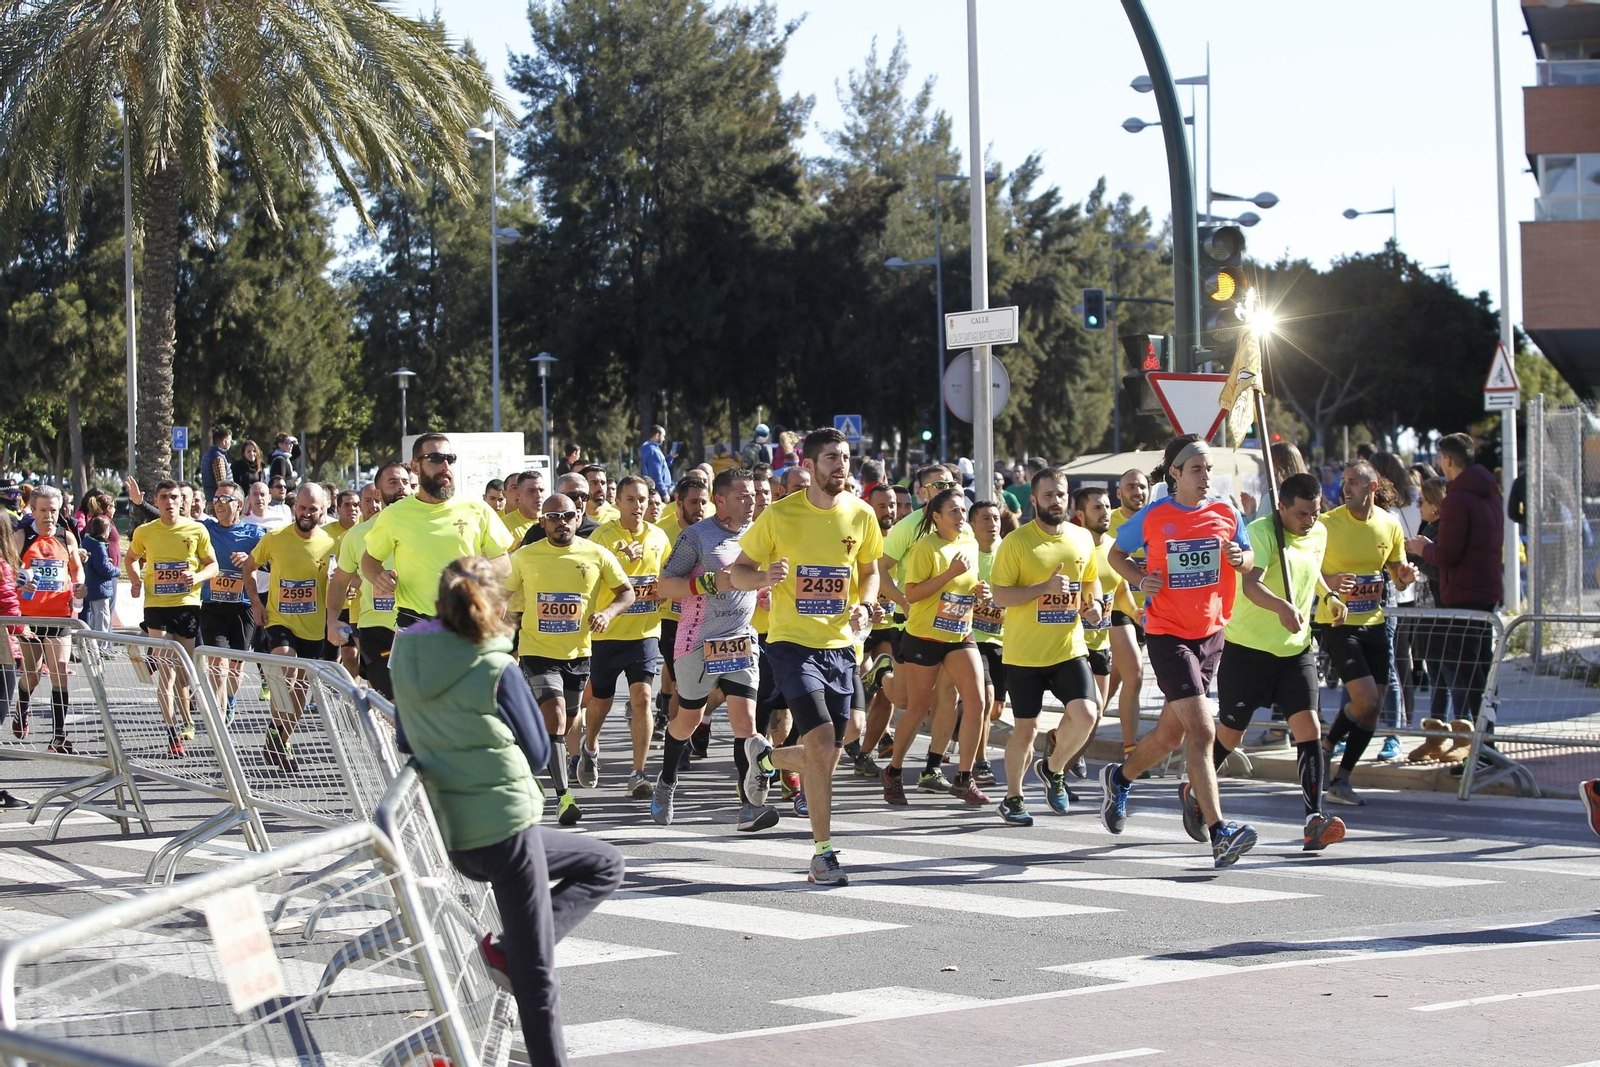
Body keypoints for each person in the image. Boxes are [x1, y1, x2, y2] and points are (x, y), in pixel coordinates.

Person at [389, 555, 625, 1067]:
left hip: (454, 831)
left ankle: (506, 949)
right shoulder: (496, 663)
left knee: (604, 862)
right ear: (496, 604)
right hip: (507, 824)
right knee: (536, 976)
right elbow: (541, 753)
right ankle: (516, 963)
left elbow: (406, 737)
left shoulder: (405, 653)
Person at [730, 426, 883, 886]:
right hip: (792, 643)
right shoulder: (780, 516)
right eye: (832, 459)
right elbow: (737, 570)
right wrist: (761, 579)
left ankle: (765, 761)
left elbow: (870, 572)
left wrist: (866, 604)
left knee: (841, 742)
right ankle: (822, 854)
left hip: (841, 645)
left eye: (846, 458)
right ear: (812, 465)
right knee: (820, 745)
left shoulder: (861, 515)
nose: (841, 466)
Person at [1106, 435, 1259, 869]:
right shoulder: (1155, 515)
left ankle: (1119, 779)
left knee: (1170, 736)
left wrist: (1239, 557)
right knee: (1203, 732)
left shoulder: (1227, 511)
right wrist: (1138, 579)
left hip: (1211, 633)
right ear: (1175, 473)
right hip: (1168, 633)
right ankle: (1219, 832)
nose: (1206, 476)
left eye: (1209, 468)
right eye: (1197, 468)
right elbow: (1117, 553)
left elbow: (1248, 559)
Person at [1213, 473, 1348, 849]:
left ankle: (1314, 819)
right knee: (1230, 734)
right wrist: (1282, 607)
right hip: (1248, 649)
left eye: (1316, 513)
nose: (1310, 521)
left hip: (1296, 650)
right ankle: (1198, 788)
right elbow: (1251, 584)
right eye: (1302, 514)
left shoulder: (1317, 533)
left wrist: (1328, 597)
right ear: (1282, 507)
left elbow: (1313, 570)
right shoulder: (1262, 533)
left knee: (1309, 728)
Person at [649, 468, 780, 831]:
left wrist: (764, 594)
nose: (751, 501)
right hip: (697, 642)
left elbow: (753, 580)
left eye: (753, 495)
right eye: (742, 496)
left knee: (747, 724)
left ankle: (749, 806)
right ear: (719, 501)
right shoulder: (698, 536)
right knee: (688, 720)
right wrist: (707, 582)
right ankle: (667, 780)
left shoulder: (759, 536)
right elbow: (664, 586)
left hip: (740, 638)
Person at [505, 494, 634, 826]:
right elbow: (501, 597)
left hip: (578, 654)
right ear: (542, 522)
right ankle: (564, 797)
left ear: (578, 518)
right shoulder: (525, 557)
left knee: (569, 719)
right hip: (536, 650)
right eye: (553, 516)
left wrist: (607, 613)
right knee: (558, 716)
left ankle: (528, 749)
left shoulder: (596, 554)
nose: (562, 521)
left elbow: (627, 592)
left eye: (568, 515)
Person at [989, 469, 1104, 825]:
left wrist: (1095, 605)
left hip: (1068, 648)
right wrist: (1043, 587)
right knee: (1026, 729)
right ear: (1034, 500)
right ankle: (1013, 797)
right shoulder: (1017, 543)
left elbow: (1091, 580)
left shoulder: (1082, 538)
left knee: (1088, 713)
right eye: (1049, 495)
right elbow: (1000, 596)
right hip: (1024, 655)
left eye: (1061, 495)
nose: (1057, 501)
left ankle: (1053, 768)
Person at [1312, 461, 1417, 807]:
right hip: (1338, 624)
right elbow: (1306, 568)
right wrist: (1329, 584)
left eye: (1355, 482)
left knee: (1371, 709)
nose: (1347, 488)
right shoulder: (1327, 524)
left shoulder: (1389, 524)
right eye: (1345, 482)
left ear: (1373, 487)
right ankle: (1326, 746)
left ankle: (1341, 779)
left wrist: (1406, 576)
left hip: (1375, 623)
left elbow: (1397, 575)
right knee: (1366, 700)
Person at [884, 486, 992, 807]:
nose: (961, 517)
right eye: (954, 512)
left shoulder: (970, 542)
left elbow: (968, 583)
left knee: (977, 702)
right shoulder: (924, 548)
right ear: (937, 517)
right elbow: (913, 594)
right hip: (924, 636)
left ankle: (963, 777)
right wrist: (948, 574)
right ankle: (893, 771)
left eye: (963, 510)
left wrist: (980, 591)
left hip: (960, 634)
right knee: (917, 708)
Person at [1404, 432, 1504, 761]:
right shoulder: (1489, 491)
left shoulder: (1459, 498)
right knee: (1477, 673)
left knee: (1467, 677)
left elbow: (1447, 553)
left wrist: (1423, 548)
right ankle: (1484, 747)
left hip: (1462, 595)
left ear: (1447, 460)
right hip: (1484, 590)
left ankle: (1479, 751)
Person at [575, 475, 670, 798]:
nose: (637, 506)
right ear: (618, 502)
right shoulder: (602, 538)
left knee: (642, 698)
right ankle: (589, 747)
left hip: (644, 631)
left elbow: (668, 576)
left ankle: (638, 772)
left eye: (642, 499)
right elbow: (587, 582)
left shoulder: (658, 536)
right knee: (600, 700)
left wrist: (663, 594)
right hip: (606, 633)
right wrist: (618, 562)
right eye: (630, 499)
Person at [362, 434, 514, 629]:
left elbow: (504, 562)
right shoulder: (394, 514)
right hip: (414, 623)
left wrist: (479, 575)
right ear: (415, 466)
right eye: (435, 458)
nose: (445, 466)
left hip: (465, 622)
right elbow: (370, 560)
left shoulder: (477, 508)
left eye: (450, 459)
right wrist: (378, 578)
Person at [244, 484, 337, 773]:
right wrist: (257, 606)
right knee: (287, 667)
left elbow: (339, 581)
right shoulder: (275, 538)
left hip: (313, 627)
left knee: (300, 690)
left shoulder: (330, 544)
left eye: (313, 508)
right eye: (302, 507)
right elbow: (248, 568)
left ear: (323, 509)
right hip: (279, 620)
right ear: (294, 507)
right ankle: (278, 738)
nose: (306, 513)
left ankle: (278, 738)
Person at [124, 480, 219, 754]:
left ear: (182, 501)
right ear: (157, 500)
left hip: (187, 604)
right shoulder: (145, 531)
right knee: (165, 670)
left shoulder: (196, 529)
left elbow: (213, 566)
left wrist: (196, 576)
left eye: (174, 497)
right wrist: (134, 581)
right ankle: (171, 733)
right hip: (157, 606)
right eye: (163, 496)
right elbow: (130, 558)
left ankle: (187, 718)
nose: (169, 501)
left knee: (183, 671)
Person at [328, 462, 411, 700]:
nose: (401, 488)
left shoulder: (424, 530)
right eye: (393, 482)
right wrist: (332, 620)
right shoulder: (357, 535)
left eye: (406, 482)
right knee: (392, 703)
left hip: (419, 627)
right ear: (377, 493)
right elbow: (339, 582)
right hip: (377, 630)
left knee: (418, 705)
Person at [14, 486, 85, 754]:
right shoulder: (22, 536)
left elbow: (77, 570)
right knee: (32, 676)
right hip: (30, 616)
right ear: (33, 510)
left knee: (59, 673)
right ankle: (22, 703)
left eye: (53, 511)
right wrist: (21, 581)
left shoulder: (67, 538)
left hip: (60, 616)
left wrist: (80, 586)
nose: (48, 516)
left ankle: (59, 736)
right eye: (43, 510)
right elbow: (7, 570)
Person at [200, 482, 264, 720]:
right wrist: (139, 504)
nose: (218, 503)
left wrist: (251, 559)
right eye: (215, 499)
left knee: (236, 666)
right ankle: (218, 715)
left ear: (239, 505)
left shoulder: (254, 534)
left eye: (224, 499)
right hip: (212, 605)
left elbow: (272, 560)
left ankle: (229, 699)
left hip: (242, 606)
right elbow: (173, 521)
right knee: (218, 661)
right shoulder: (206, 528)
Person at [1106, 468, 1151, 767]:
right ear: (1119, 492)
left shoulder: (1157, 519)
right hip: (1117, 611)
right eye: (1130, 487)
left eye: (1142, 486)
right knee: (1134, 675)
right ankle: (1131, 750)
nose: (1137, 492)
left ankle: (1067, 733)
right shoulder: (1109, 523)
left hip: (1150, 614)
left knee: (1111, 684)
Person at [80, 516, 117, 634]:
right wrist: (116, 571)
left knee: (95, 619)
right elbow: (103, 568)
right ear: (105, 531)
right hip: (101, 588)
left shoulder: (88, 542)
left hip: (92, 586)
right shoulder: (99, 546)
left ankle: (93, 647)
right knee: (102, 620)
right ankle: (100, 649)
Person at [639, 425, 675, 494]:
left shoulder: (650, 449)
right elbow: (656, 474)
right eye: (663, 436)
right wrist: (664, 492)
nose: (664, 439)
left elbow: (660, 467)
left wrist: (670, 457)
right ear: (657, 435)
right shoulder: (653, 451)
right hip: (657, 492)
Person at [199, 426, 232, 502]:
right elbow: (222, 484)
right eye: (230, 441)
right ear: (224, 442)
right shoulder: (218, 458)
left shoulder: (208, 455)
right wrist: (226, 502)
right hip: (218, 502)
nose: (230, 443)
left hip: (211, 499)